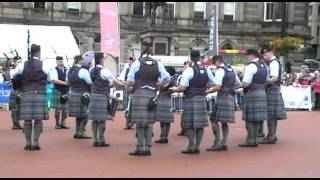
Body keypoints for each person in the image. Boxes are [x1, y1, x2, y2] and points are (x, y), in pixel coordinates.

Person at [126, 42, 170, 156]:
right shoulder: (157, 63)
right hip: (152, 94)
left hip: (139, 93)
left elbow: (130, 80)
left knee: (140, 123)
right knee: (149, 123)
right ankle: (148, 148)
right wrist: (158, 86)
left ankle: (141, 148)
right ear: (151, 49)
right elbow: (167, 78)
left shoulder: (137, 63)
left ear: (142, 49)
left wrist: (128, 88)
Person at [171, 50, 215, 154]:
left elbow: (182, 88)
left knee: (190, 124)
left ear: (191, 58)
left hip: (191, 98)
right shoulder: (206, 69)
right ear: (199, 57)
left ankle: (191, 146)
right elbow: (212, 83)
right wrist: (203, 87)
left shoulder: (189, 70)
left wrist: (173, 89)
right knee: (200, 125)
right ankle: (197, 146)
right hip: (201, 98)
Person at [12, 44, 51, 151]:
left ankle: (28, 143)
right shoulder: (44, 65)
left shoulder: (22, 65)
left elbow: (14, 76)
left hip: (26, 93)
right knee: (38, 121)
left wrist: (21, 85)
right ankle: (35, 142)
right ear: (39, 52)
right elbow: (50, 78)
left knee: (27, 121)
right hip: (39, 93)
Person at [206, 55, 241, 151]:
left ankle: (217, 142)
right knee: (224, 122)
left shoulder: (220, 71)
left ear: (217, 61)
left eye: (214, 63)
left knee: (213, 119)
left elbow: (217, 87)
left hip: (222, 97)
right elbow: (239, 84)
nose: (214, 65)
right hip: (231, 97)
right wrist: (231, 89)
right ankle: (224, 142)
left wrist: (206, 92)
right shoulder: (231, 69)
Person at [238, 49, 268, 148]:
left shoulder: (251, 67)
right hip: (262, 92)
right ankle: (254, 139)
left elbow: (246, 83)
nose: (246, 57)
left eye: (247, 55)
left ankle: (251, 140)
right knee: (257, 119)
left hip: (252, 93)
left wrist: (235, 86)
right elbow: (266, 80)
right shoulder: (264, 66)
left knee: (250, 119)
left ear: (252, 55)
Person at [260, 46, 287, 144]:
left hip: (272, 89)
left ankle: (271, 136)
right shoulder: (274, 62)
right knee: (272, 115)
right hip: (274, 89)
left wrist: (262, 81)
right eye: (263, 55)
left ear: (271, 53)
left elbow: (274, 78)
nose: (264, 57)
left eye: (265, 54)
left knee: (271, 115)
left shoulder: (273, 63)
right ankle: (272, 135)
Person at [88, 52, 114, 147]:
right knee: (102, 120)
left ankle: (95, 140)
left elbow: (90, 82)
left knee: (94, 120)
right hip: (103, 96)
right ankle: (101, 140)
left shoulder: (91, 70)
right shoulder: (105, 71)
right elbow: (111, 82)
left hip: (94, 96)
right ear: (102, 60)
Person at [68, 55, 92, 139]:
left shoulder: (69, 70)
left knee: (79, 115)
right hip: (82, 95)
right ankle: (81, 132)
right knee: (85, 114)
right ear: (80, 61)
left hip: (73, 93)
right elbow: (89, 82)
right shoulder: (83, 71)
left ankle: (77, 132)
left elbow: (67, 82)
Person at [154, 66, 176, 144]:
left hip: (162, 100)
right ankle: (165, 136)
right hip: (169, 101)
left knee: (163, 121)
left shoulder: (166, 80)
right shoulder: (173, 80)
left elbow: (159, 87)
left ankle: (162, 137)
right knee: (167, 121)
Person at [51, 56, 70, 129]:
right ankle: (57, 123)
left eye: (61, 61)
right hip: (58, 90)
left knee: (65, 108)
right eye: (59, 62)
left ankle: (63, 122)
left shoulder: (66, 69)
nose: (60, 63)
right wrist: (66, 83)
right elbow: (55, 80)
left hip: (66, 90)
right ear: (56, 62)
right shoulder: (54, 69)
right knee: (58, 108)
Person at [118, 56, 135, 130]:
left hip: (135, 90)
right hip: (127, 89)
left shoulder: (136, 69)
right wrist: (127, 84)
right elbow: (121, 79)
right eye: (129, 61)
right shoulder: (126, 69)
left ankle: (131, 123)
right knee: (126, 107)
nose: (130, 63)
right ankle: (127, 123)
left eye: (131, 61)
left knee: (133, 107)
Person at [176, 61, 191, 136]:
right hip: (185, 95)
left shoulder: (189, 73)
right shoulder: (181, 75)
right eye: (184, 66)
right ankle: (184, 129)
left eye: (186, 66)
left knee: (188, 114)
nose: (184, 68)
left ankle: (188, 130)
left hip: (189, 95)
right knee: (184, 113)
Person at [9, 56, 23, 130]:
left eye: (21, 62)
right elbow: (14, 79)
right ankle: (15, 124)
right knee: (15, 108)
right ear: (15, 63)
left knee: (19, 108)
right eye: (18, 62)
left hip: (21, 89)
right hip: (15, 90)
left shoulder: (22, 70)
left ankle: (16, 123)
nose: (20, 63)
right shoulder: (13, 70)